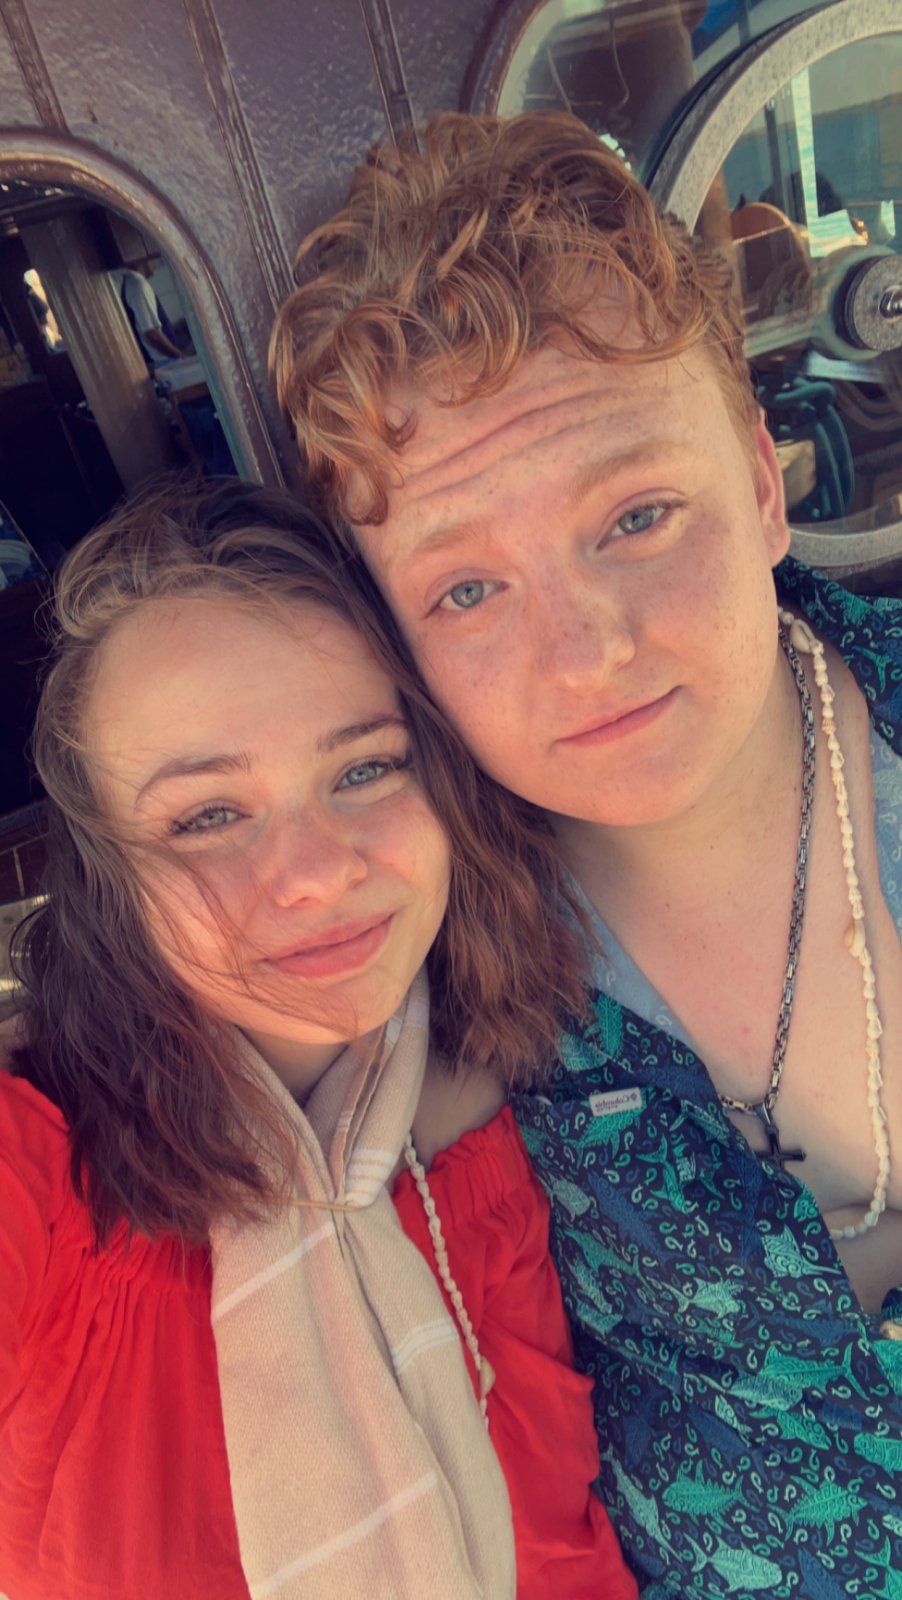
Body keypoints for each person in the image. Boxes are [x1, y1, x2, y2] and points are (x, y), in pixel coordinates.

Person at [271, 112, 902, 1599]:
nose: (584, 651)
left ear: (761, 486)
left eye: (634, 515)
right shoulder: (426, 953)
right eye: (467, 588)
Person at [0, 479, 635, 1600]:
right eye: (207, 816)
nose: (316, 874)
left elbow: (559, 1552)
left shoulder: (522, 1111)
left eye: (364, 768)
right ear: (107, 878)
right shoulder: (40, 1180)